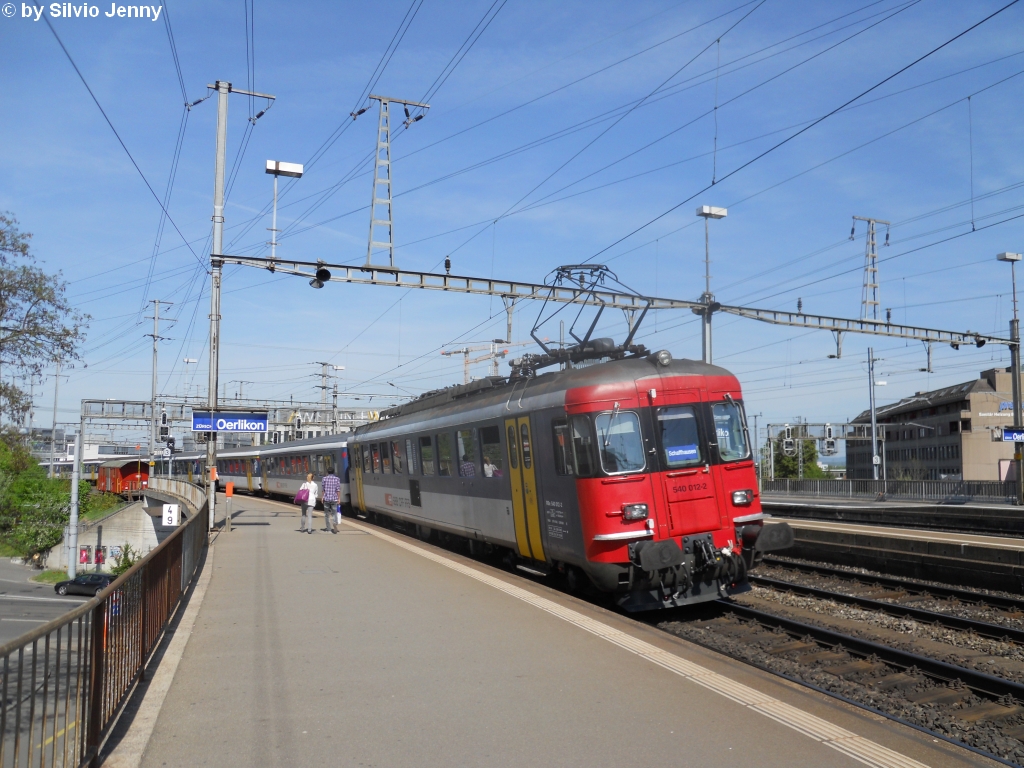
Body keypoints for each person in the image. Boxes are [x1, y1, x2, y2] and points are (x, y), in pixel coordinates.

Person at [321, 468, 341, 534]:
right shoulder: (337, 479)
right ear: (333, 472)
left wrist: (322, 498)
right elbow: (338, 490)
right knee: (334, 513)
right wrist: (338, 498)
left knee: (327, 515)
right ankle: (335, 522)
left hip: (326, 499)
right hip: (334, 499)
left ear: (327, 472)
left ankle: (328, 529)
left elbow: (323, 489)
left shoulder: (324, 479)